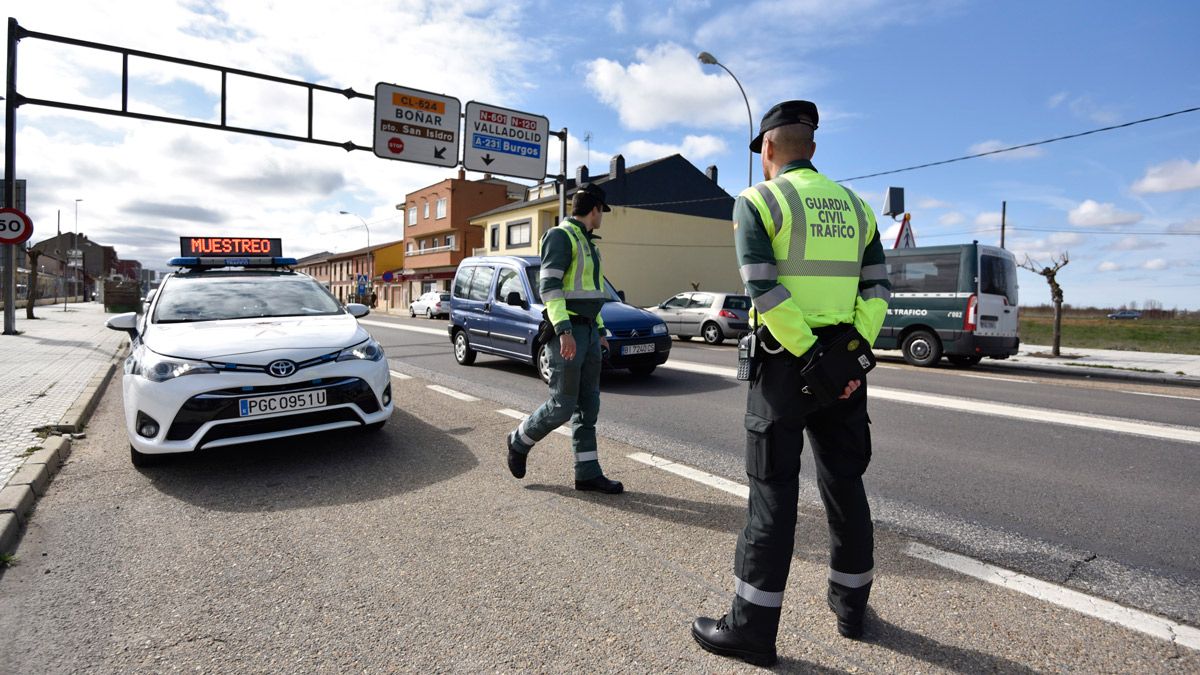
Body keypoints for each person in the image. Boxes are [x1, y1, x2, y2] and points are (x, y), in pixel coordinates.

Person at [691, 100, 892, 666]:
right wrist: (846, 364)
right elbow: (877, 293)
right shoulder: (857, 209)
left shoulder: (757, 202)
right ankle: (852, 609)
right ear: (813, 147)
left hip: (785, 368)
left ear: (769, 150)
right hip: (845, 369)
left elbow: (763, 290)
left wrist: (812, 359)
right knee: (845, 485)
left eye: (761, 152)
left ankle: (752, 630)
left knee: (773, 494)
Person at [505, 183, 624, 495]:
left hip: (587, 332)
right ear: (595, 209)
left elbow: (593, 296)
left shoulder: (590, 245)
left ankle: (587, 474)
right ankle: (519, 440)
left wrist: (600, 333)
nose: (602, 218)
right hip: (568, 332)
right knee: (562, 405)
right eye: (602, 212)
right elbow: (551, 289)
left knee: (588, 408)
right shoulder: (561, 236)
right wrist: (564, 331)